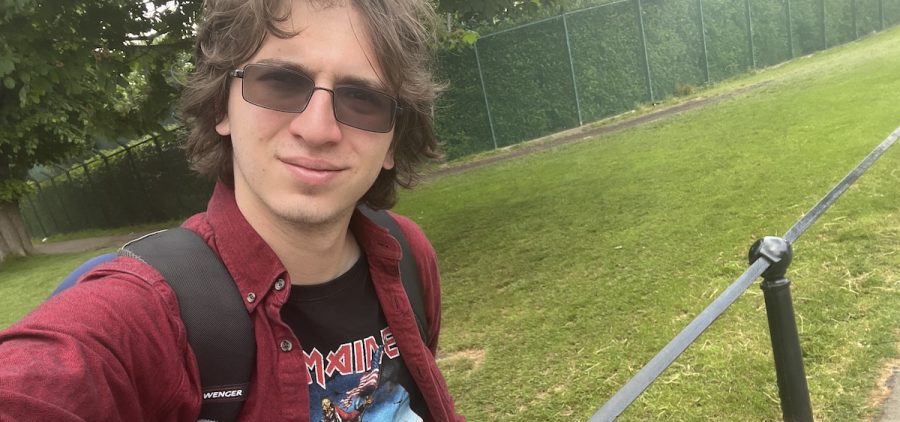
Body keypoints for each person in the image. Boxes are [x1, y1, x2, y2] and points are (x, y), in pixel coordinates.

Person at [0, 0, 464, 420]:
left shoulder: (405, 254)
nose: (318, 129)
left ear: (392, 142)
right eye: (280, 83)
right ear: (222, 106)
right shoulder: (150, 310)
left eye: (363, 100)